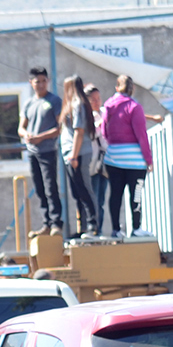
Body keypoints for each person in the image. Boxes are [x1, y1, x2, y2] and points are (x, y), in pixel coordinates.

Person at [101, 75, 154, 239]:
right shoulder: (134, 107)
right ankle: (136, 228)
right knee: (136, 194)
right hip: (135, 160)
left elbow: (104, 131)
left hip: (113, 157)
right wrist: (149, 159)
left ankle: (116, 229)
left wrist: (113, 144)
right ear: (132, 89)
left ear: (117, 88)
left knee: (115, 194)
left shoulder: (108, 106)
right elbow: (141, 135)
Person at [18, 67, 64, 237]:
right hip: (32, 152)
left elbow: (60, 127)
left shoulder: (54, 101)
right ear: (31, 83)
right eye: (38, 81)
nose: (41, 84)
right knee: (39, 188)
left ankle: (56, 222)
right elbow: (21, 127)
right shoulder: (29, 103)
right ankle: (46, 223)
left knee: (51, 186)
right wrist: (27, 135)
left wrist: (41, 137)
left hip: (48, 151)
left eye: (44, 81)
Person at [58, 75, 101, 239]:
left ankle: (93, 225)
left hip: (78, 154)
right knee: (77, 192)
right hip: (70, 154)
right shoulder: (71, 105)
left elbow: (79, 131)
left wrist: (74, 156)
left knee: (84, 189)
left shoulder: (79, 105)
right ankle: (83, 226)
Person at [85, 84, 110, 233]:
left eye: (98, 98)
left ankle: (99, 229)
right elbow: (90, 134)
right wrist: (100, 124)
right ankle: (93, 229)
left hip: (105, 162)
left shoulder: (105, 112)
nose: (97, 102)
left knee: (101, 199)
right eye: (93, 99)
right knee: (93, 198)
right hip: (92, 164)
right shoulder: (86, 117)